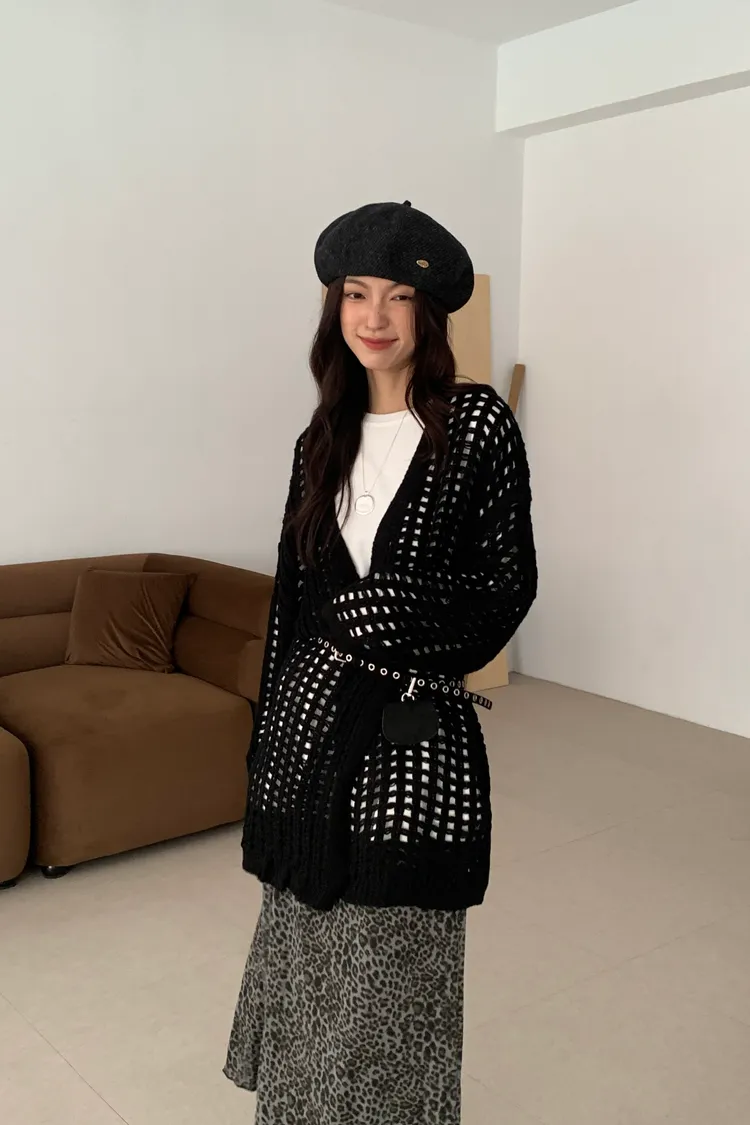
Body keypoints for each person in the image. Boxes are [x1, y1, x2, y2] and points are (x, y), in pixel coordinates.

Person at [224, 200, 537, 1124]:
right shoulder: (320, 440)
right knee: (307, 955)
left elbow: (505, 586)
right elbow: (292, 603)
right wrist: (265, 746)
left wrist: (385, 613)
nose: (374, 316)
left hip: (412, 743)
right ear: (336, 308)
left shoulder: (475, 425)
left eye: (398, 296)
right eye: (356, 293)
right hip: (309, 734)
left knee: (390, 965)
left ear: (427, 313)